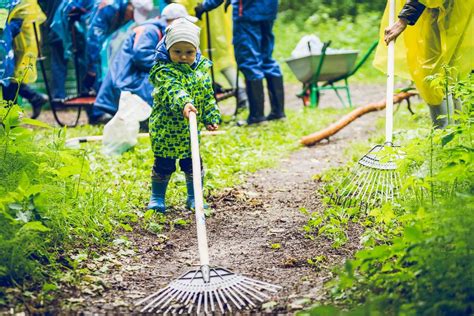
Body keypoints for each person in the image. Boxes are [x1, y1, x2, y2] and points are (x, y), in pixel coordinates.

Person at [147, 17, 220, 212]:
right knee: (163, 165)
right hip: (166, 129)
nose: (183, 57)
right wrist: (185, 103)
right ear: (167, 50)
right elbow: (173, 90)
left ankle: (194, 197)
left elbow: (207, 96)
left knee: (193, 165)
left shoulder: (200, 72)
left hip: (189, 132)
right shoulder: (164, 71)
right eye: (177, 52)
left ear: (196, 50)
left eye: (189, 52)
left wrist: (211, 117)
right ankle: (157, 197)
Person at [376, 0, 473, 129]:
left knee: (432, 77)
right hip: (457, 11)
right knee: (448, 75)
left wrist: (403, 19)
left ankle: (444, 135)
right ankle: (455, 137)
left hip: (441, 10)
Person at [194, 0, 285, 125]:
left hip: (247, 12)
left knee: (249, 61)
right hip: (269, 9)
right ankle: (278, 112)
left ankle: (257, 116)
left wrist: (206, 5)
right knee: (267, 58)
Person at [171, 0, 248, 112]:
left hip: (204, 22)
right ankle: (241, 92)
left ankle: (236, 93)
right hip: (221, 22)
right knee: (223, 58)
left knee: (201, 61)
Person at [1, 0, 48, 119]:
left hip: (19, 39)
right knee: (10, 76)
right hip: (16, 36)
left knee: (10, 76)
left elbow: (14, 21)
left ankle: (11, 118)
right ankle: (34, 98)